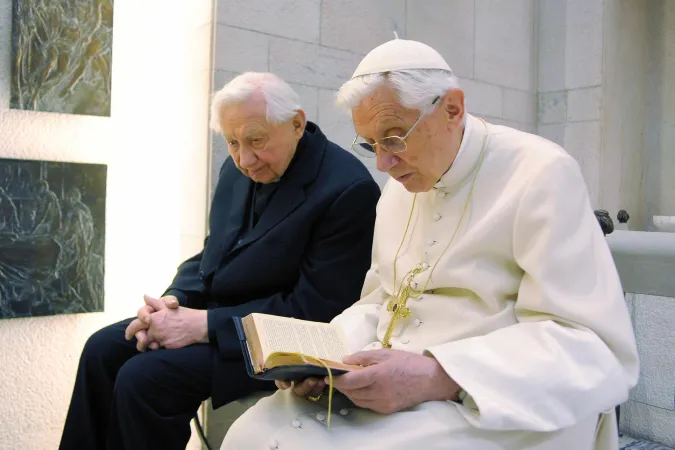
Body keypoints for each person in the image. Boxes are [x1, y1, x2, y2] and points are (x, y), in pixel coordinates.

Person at [221, 39, 639, 450]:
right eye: (371, 145)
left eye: (395, 138)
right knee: (246, 435)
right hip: (381, 382)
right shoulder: (399, 190)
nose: (383, 163)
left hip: (490, 399)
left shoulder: (541, 174)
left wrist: (439, 375)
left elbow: (590, 345)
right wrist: (322, 357)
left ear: (451, 109)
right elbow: (380, 300)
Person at [59, 72, 381, 450]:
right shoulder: (240, 166)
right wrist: (171, 304)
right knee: (101, 349)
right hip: (217, 315)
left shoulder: (349, 189)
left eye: (256, 140)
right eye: (232, 143)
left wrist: (204, 326)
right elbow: (214, 251)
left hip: (275, 343)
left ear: (296, 123)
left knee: (144, 378)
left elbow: (317, 309)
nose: (244, 159)